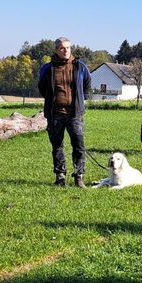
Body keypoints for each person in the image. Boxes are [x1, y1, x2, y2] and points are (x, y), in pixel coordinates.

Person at [37, 37, 92, 187]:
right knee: (57, 146)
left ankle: (78, 177)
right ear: (56, 50)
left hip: (75, 114)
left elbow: (87, 84)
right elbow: (42, 87)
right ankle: (60, 177)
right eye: (62, 48)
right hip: (55, 114)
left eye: (68, 47)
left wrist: (80, 100)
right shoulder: (47, 68)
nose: (65, 50)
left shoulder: (80, 66)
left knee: (79, 145)